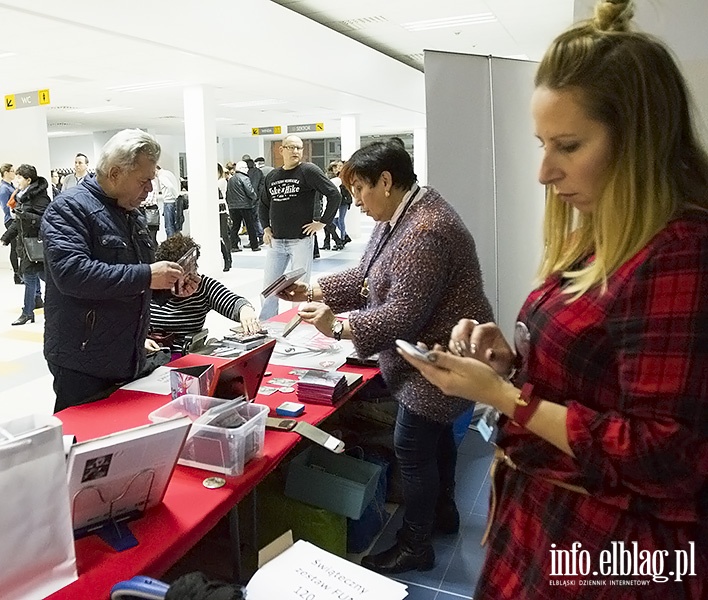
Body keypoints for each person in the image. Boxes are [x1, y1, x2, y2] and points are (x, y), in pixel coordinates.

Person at [400, 2, 708, 597]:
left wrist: (504, 396)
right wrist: (513, 363)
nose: (544, 171)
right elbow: (597, 377)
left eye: (567, 145)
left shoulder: (679, 253)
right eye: (543, 143)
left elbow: (668, 454)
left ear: (639, 140)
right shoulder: (601, 236)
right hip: (548, 524)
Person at [280, 141, 493, 574]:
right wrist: (314, 290)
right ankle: (442, 513)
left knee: (412, 448)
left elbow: (401, 314)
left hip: (436, 361)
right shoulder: (400, 214)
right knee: (435, 445)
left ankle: (416, 544)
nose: (355, 201)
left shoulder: (424, 230)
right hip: (434, 357)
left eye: (360, 189)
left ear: (387, 181)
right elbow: (366, 274)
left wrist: (338, 326)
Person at [41, 129, 193, 413]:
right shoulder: (68, 208)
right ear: (114, 173)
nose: (150, 189)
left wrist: (169, 287)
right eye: (143, 181)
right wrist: (148, 275)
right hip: (83, 359)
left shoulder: (130, 212)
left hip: (128, 353)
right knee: (84, 443)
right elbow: (72, 274)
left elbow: (137, 278)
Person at [258, 135, 342, 320]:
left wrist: (322, 222)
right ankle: (265, 324)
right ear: (282, 150)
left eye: (299, 148)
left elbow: (334, 194)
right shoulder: (272, 175)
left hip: (300, 241)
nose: (295, 151)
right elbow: (263, 204)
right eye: (291, 147)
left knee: (300, 289)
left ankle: (297, 322)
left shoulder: (308, 171)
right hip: (276, 242)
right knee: (269, 287)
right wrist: (265, 228)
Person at [150, 235, 260, 352]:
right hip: (148, 356)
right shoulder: (150, 286)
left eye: (192, 269)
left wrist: (245, 310)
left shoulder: (203, 286)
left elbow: (233, 302)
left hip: (186, 356)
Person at [0, 164, 49, 325]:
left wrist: (25, 215)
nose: (17, 180)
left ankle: (33, 311)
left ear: (28, 180)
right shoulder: (23, 196)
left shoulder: (41, 197)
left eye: (20, 177)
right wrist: (7, 237)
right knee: (29, 277)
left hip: (37, 245)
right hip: (26, 245)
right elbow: (19, 220)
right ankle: (28, 312)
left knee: (46, 278)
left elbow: (46, 220)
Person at [0, 163, 21, 284]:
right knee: (14, 247)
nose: (14, 173)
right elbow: (6, 207)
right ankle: (17, 274)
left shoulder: (10, 186)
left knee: (17, 247)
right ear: (6, 173)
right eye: (12, 171)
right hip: (11, 220)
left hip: (15, 218)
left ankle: (19, 273)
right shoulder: (3, 188)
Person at [226, 161, 261, 252]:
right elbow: (250, 191)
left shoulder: (231, 179)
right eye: (246, 168)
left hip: (233, 207)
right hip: (245, 206)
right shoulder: (245, 178)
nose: (247, 170)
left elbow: (228, 194)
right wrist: (255, 198)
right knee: (250, 226)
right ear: (242, 169)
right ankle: (254, 245)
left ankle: (234, 246)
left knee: (235, 226)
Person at [156, 165, 181, 239]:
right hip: (174, 203)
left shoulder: (161, 176)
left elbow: (170, 186)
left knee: (169, 227)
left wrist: (175, 195)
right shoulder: (169, 173)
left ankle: (171, 247)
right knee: (176, 227)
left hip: (168, 202)